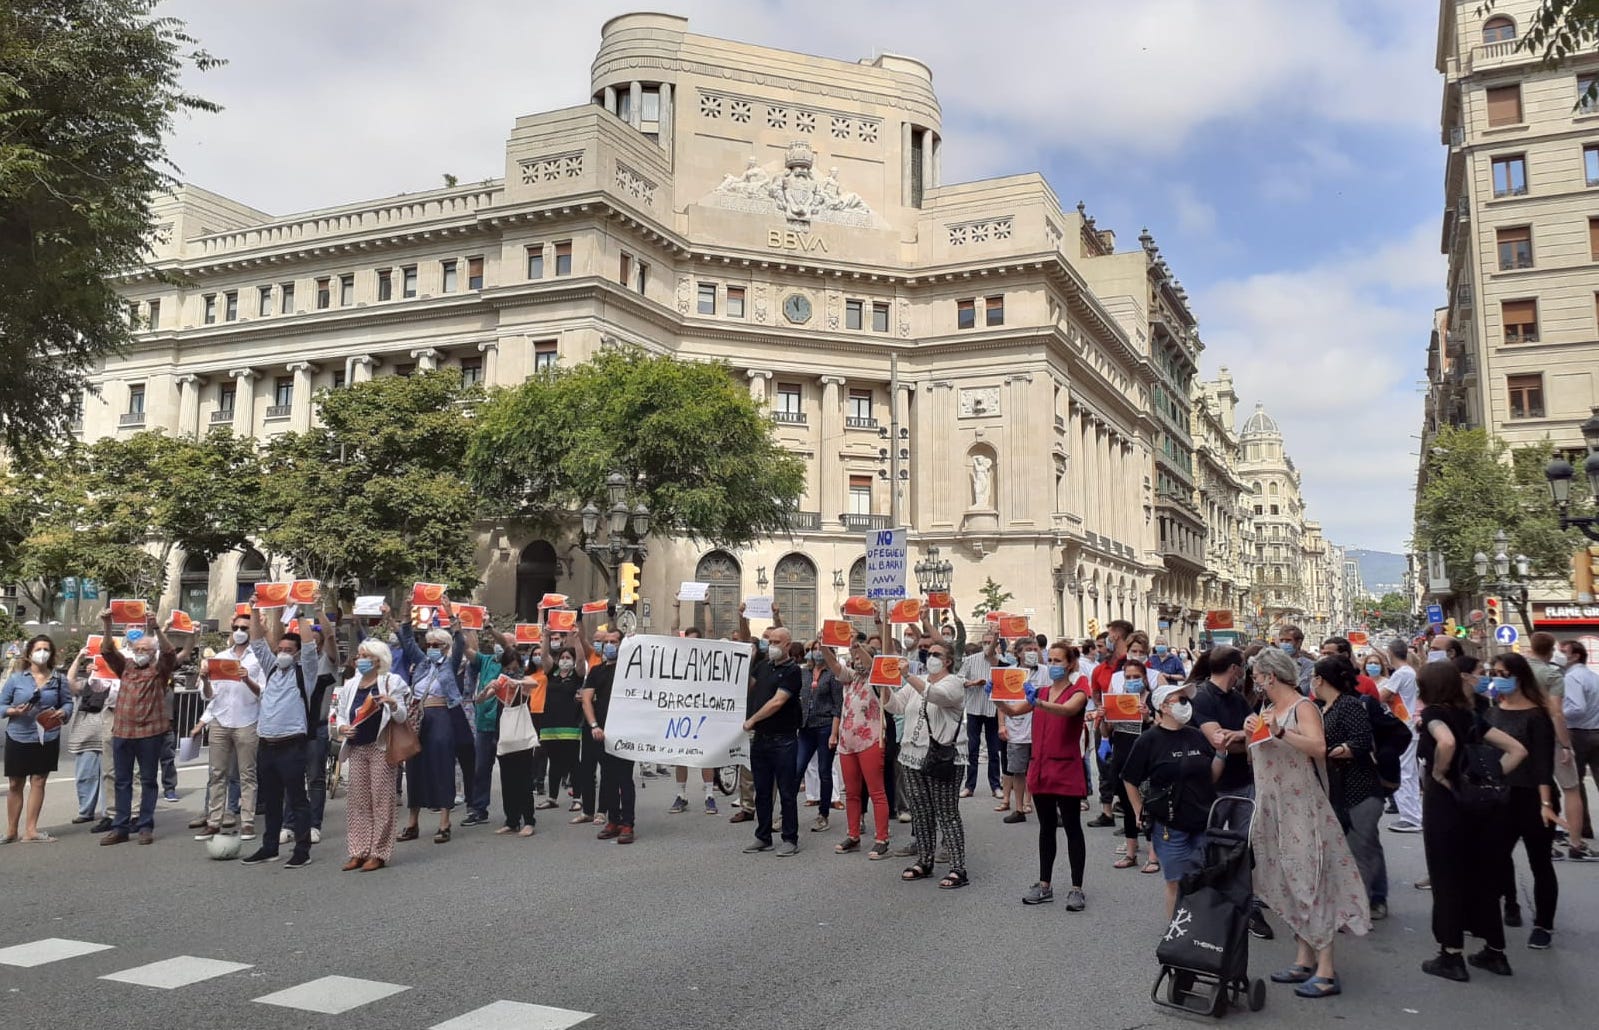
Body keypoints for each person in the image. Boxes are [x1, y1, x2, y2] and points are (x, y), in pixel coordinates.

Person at [1244, 648, 1370, 999]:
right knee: (1286, 882)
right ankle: (1303, 958)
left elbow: (1318, 747)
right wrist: (1246, 734)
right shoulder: (1267, 710)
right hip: (1272, 809)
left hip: (1301, 807)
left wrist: (1279, 732)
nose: (1254, 681)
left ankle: (1327, 970)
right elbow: (1260, 757)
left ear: (1270, 676)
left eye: (1257, 675)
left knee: (1312, 882)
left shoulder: (1303, 707)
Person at [1417, 660, 1528, 981]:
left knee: (1447, 877)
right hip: (1481, 806)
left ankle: (1451, 955)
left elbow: (1446, 742)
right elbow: (1517, 749)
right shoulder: (1469, 716)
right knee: (1482, 877)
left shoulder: (1433, 715)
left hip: (1446, 805)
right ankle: (1495, 952)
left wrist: (1441, 772)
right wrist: (1486, 777)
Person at [1122, 679, 1223, 916]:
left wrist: (1221, 753)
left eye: (1188, 700)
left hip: (1202, 821)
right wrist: (1138, 810)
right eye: (1181, 700)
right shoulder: (1149, 740)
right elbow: (1129, 778)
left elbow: (1211, 777)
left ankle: (1198, 932)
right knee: (1176, 881)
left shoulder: (1197, 736)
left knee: (1201, 879)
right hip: (1170, 825)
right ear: (1164, 707)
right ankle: (1175, 933)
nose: (1187, 705)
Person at [242, 601, 325, 868]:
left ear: (297, 654)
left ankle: (302, 850)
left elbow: (311, 647)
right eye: (280, 650)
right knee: (272, 800)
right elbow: (256, 642)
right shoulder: (272, 670)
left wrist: (300, 616)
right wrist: (254, 610)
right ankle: (269, 847)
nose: (282, 654)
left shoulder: (305, 673)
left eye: (289, 650)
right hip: (267, 744)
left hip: (292, 745)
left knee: (297, 799)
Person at [1485, 653, 1559, 950]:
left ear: (1519, 676)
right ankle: (1511, 902)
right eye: (1494, 672)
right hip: (1501, 795)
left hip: (1533, 795)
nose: (1497, 678)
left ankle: (1544, 924)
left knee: (1539, 861)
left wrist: (1546, 804)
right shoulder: (1493, 711)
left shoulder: (1538, 715)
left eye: (1503, 673)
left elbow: (1543, 763)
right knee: (1498, 856)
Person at [884, 634, 969, 888]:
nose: (929, 658)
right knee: (920, 812)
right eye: (928, 653)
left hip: (943, 757)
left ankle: (957, 867)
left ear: (948, 661)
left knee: (946, 812)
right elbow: (896, 706)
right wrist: (883, 683)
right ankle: (925, 859)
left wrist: (907, 676)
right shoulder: (917, 682)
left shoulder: (954, 683)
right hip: (912, 755)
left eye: (936, 655)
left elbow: (936, 696)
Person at [1015, 642, 1090, 910]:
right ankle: (1044, 884)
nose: (1054, 665)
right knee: (1046, 828)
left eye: (1059, 661)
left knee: (1072, 828)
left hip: (1066, 768)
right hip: (1042, 768)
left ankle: (1076, 888)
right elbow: (1014, 711)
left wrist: (1041, 703)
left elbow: (1069, 710)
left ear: (1070, 664)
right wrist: (997, 697)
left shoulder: (1079, 689)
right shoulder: (1042, 691)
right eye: (1052, 660)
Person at [98, 612, 183, 846]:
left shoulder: (159, 670)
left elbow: (169, 653)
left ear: (153, 653)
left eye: (146, 650)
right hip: (123, 731)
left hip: (150, 733)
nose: (141, 653)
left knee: (147, 780)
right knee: (121, 780)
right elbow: (107, 651)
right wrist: (107, 625)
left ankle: (145, 825)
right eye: (138, 649)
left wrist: (156, 629)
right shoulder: (124, 667)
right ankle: (120, 826)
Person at [1314, 655, 1389, 921]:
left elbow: (1361, 742)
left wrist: (1332, 751)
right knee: (1350, 849)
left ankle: (1362, 906)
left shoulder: (1349, 705)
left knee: (1361, 851)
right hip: (1338, 791)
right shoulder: (1323, 707)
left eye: (1314, 676)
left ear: (1320, 679)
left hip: (1361, 789)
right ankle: (1355, 902)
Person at [188, 610, 262, 842]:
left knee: (247, 774)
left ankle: (247, 822)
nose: (240, 632)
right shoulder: (220, 656)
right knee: (217, 773)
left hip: (247, 720)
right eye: (236, 628)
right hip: (221, 721)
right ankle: (213, 821)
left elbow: (263, 692)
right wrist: (206, 679)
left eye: (245, 628)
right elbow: (210, 696)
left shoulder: (258, 658)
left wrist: (246, 678)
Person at [334, 639, 408, 870]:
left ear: (377, 659)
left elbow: (402, 716)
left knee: (381, 801)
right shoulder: (351, 684)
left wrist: (393, 704)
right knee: (358, 801)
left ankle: (379, 852)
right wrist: (342, 728)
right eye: (359, 655)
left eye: (364, 656)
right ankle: (358, 851)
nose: (360, 660)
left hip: (381, 747)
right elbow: (341, 713)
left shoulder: (391, 681)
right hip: (356, 746)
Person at [813, 640, 891, 859]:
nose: (857, 662)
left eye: (859, 658)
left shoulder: (878, 679)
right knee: (852, 793)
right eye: (854, 658)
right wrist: (825, 647)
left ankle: (881, 838)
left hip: (871, 740)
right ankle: (853, 835)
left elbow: (873, 665)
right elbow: (833, 664)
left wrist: (859, 649)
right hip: (848, 742)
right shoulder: (850, 678)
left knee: (876, 792)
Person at [2, 634, 73, 843]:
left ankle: (31, 830)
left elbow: (68, 703)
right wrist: (13, 710)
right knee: (15, 783)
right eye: (38, 649)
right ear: (29, 653)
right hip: (19, 735)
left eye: (46, 649)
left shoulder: (58, 679)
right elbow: (1, 706)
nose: (42, 653)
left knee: (39, 781)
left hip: (47, 735)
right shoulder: (16, 679)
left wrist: (63, 712)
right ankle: (11, 830)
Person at [742, 625, 802, 856]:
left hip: (784, 740)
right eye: (770, 641)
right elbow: (747, 685)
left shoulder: (792, 671)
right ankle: (763, 836)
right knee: (763, 791)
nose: (772, 645)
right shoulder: (763, 666)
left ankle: (790, 838)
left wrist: (752, 719)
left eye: (777, 642)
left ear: (788, 645)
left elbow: (778, 702)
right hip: (762, 739)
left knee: (787, 791)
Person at [1527, 632, 1584, 862]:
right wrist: (1566, 744)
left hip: (1523, 736)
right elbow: (1557, 712)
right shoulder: (1552, 674)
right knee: (1571, 788)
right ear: (1551, 650)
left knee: (1533, 790)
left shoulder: (1517, 670)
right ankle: (1575, 843)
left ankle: (1543, 843)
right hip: (1550, 737)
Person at [583, 627, 634, 844]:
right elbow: (586, 700)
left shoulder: (631, 671)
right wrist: (594, 725)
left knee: (625, 779)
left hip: (626, 733)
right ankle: (613, 820)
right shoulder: (596, 671)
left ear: (623, 644)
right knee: (608, 779)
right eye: (607, 642)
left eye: (615, 641)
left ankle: (628, 824)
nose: (610, 645)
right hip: (602, 733)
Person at [795, 633, 842, 833]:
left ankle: (823, 814)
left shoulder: (833, 675)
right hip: (805, 727)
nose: (815, 652)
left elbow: (838, 706)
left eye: (820, 648)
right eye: (813, 648)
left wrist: (834, 733)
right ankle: (785, 814)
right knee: (797, 769)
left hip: (825, 727)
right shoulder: (804, 673)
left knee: (824, 771)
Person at [995, 637, 1041, 823]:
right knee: (1018, 770)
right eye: (1028, 649)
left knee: (1038, 769)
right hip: (1017, 728)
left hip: (1039, 728)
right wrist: (1002, 725)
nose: (1032, 652)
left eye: (1035, 649)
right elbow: (1001, 702)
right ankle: (1019, 808)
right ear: (1018, 653)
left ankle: (1033, 803)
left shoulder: (1045, 672)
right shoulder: (1009, 673)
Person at [63, 647, 110, 827]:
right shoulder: (85, 684)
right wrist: (79, 658)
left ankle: (109, 812)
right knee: (85, 777)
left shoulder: (115, 685)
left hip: (107, 736)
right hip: (85, 738)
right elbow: (70, 681)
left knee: (108, 777)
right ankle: (85, 811)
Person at [1559, 639, 1599, 848]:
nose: (1559, 655)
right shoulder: (1593, 676)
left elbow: (1577, 707)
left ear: (1575, 655)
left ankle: (1582, 828)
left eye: (1563, 651)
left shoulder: (1572, 677)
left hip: (1578, 733)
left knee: (1575, 783)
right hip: (1596, 730)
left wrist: (1556, 715)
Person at [1381, 637, 1423, 834]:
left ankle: (1410, 818)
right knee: (1410, 773)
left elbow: (1382, 695)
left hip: (1403, 727)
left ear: (1390, 653)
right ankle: (1415, 815)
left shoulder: (1402, 673)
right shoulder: (1409, 672)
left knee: (1404, 773)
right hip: (1409, 726)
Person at [958, 628, 1004, 799]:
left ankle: (995, 785)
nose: (988, 645)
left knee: (993, 750)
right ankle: (969, 785)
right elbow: (959, 678)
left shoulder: (1000, 661)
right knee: (972, 749)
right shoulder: (970, 660)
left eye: (991, 642)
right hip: (974, 708)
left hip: (993, 709)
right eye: (985, 642)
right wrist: (972, 683)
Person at [1276, 625, 1316, 694]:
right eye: (1281, 640)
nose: (1284, 644)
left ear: (1298, 643)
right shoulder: (1274, 662)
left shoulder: (1308, 665)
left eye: (1288, 640)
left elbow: (1302, 690)